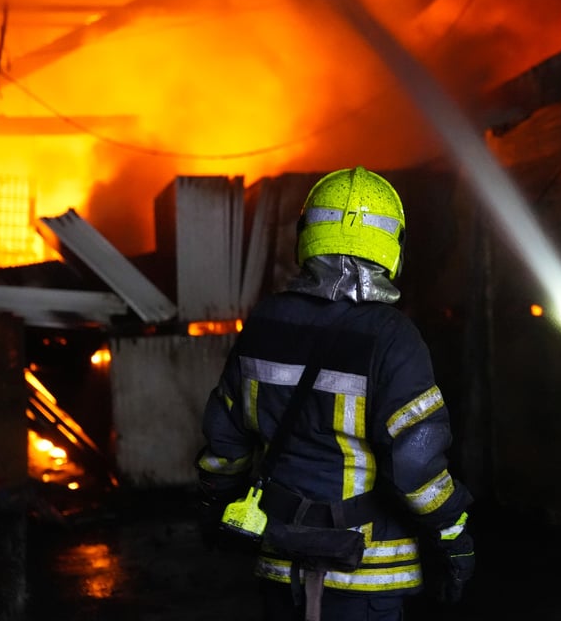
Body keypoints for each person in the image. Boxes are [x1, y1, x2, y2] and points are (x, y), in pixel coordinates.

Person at [196, 166, 475, 621]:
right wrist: (453, 534)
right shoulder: (393, 337)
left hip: (280, 560)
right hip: (367, 574)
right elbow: (415, 466)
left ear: (307, 235)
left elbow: (225, 445)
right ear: (392, 245)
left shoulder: (265, 324)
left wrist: (213, 502)